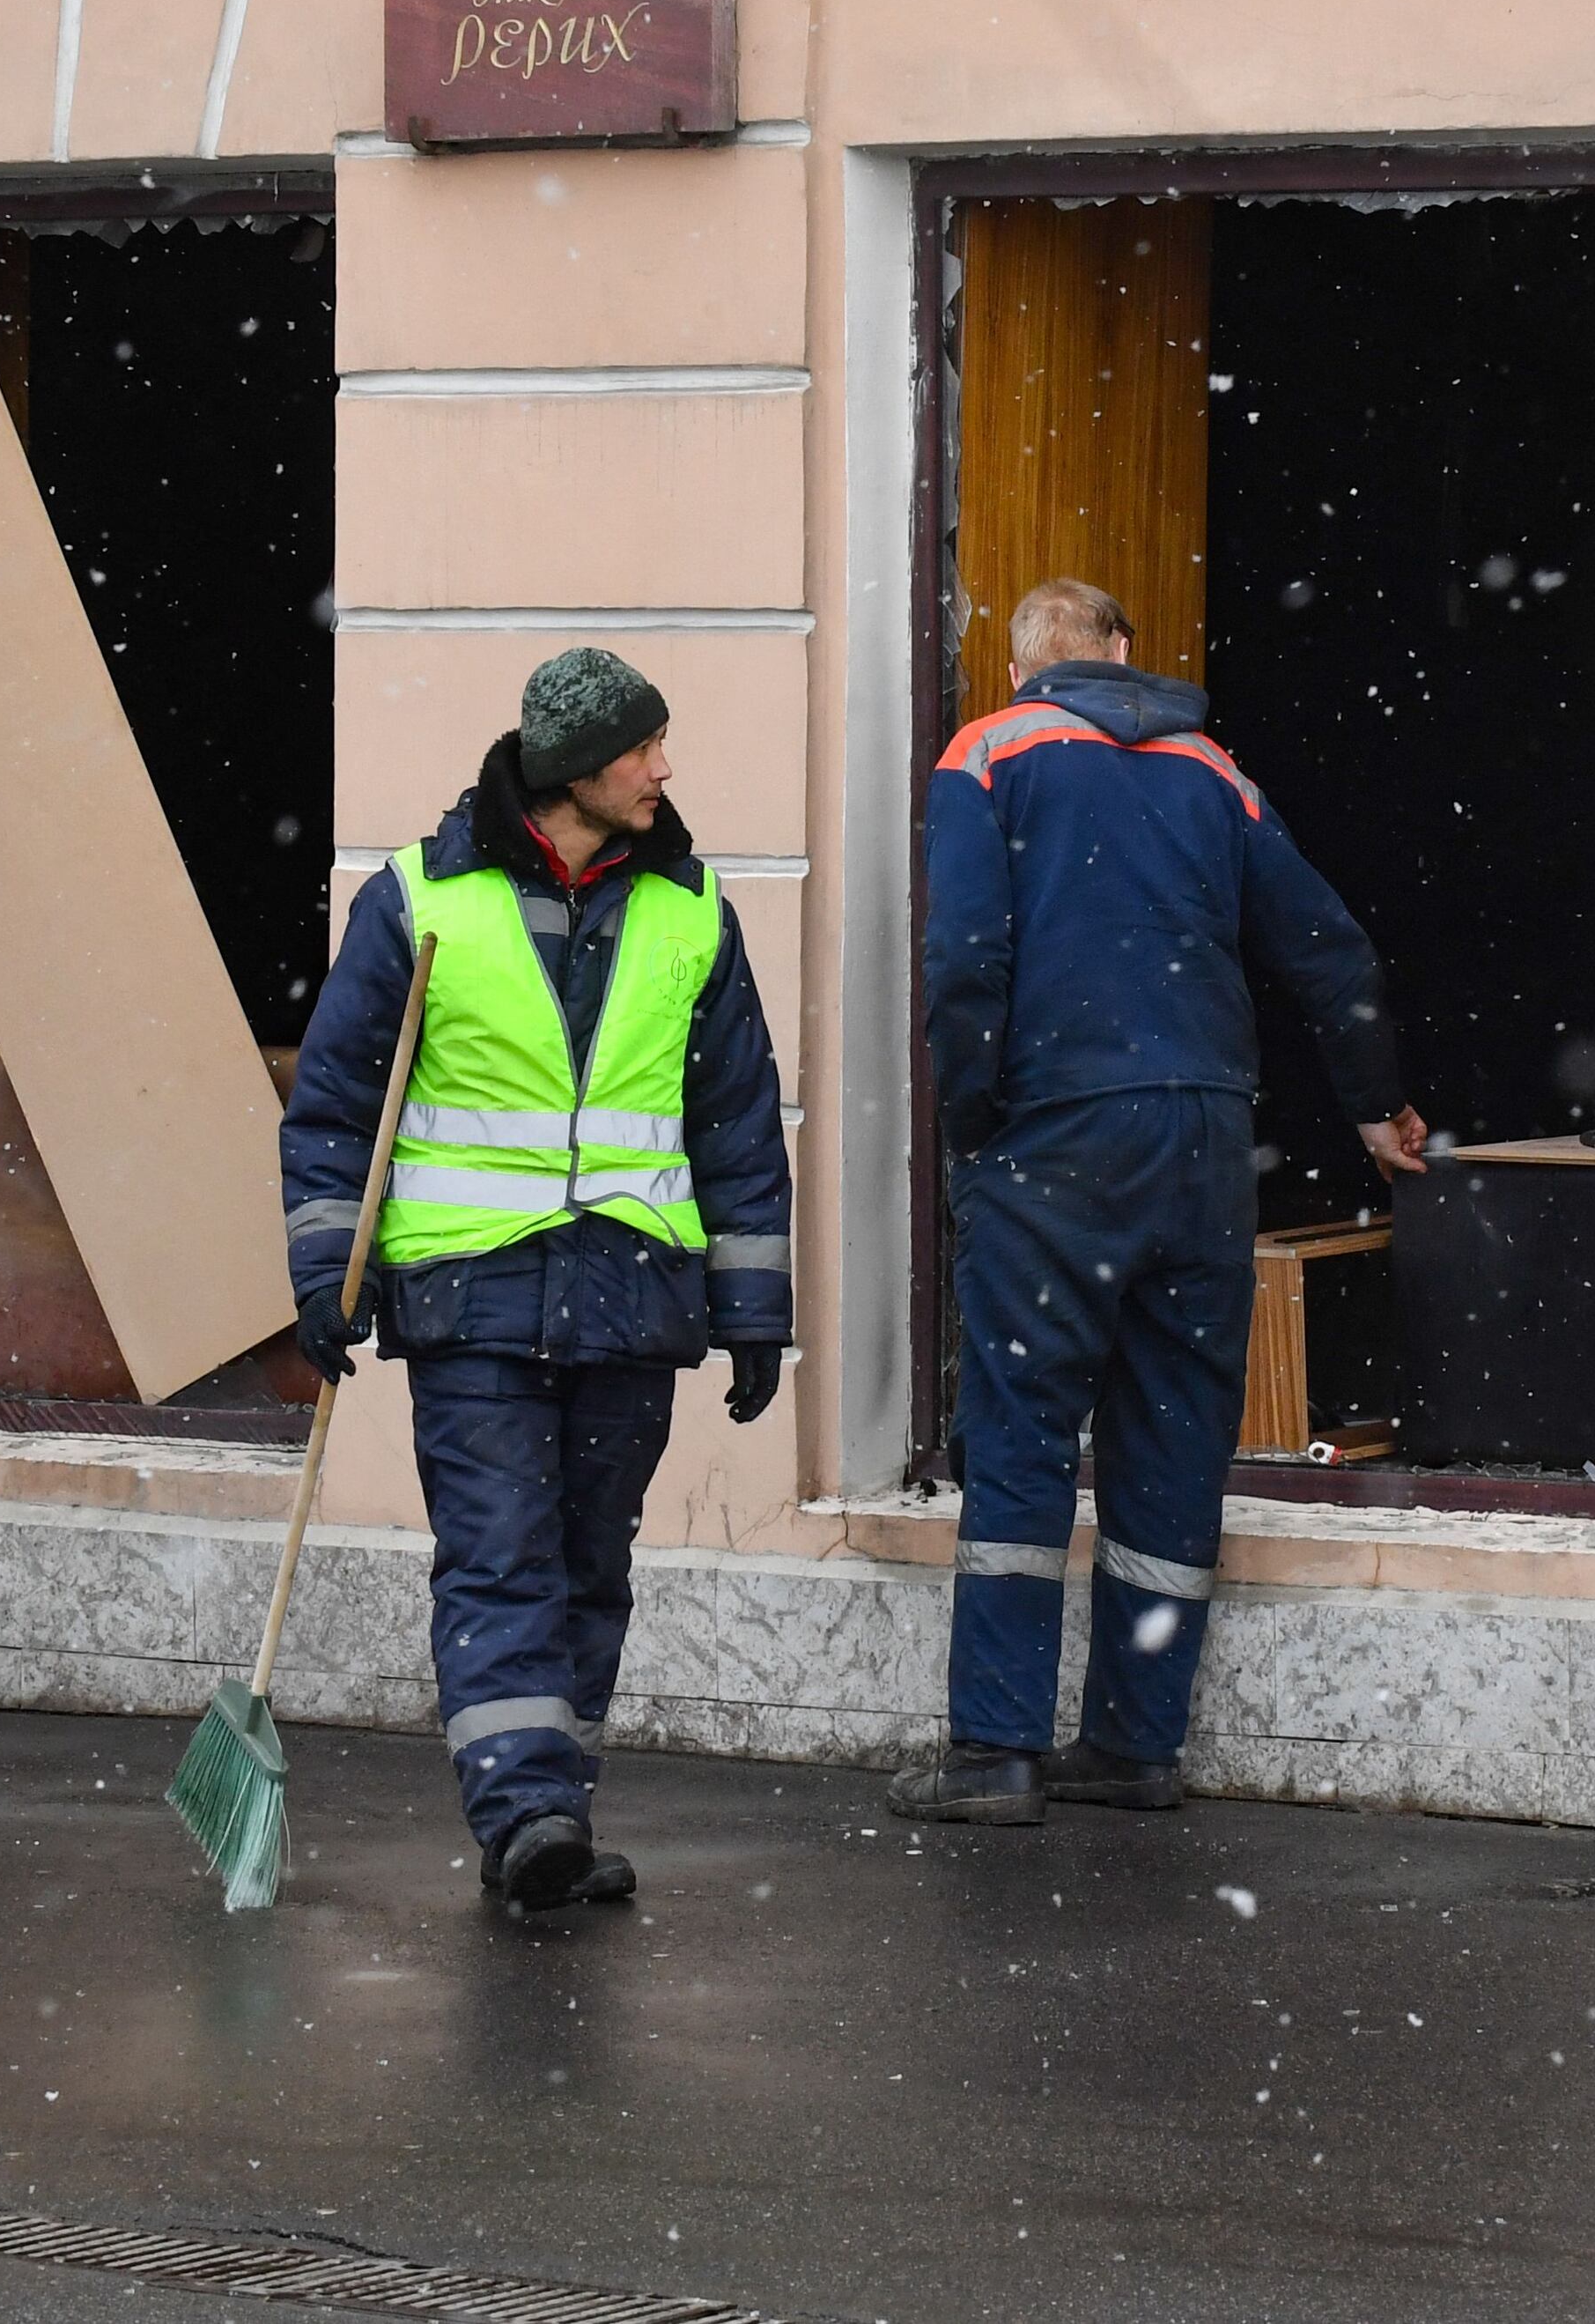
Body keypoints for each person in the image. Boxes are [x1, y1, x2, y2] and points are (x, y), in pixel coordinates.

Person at [892, 578, 1426, 1824]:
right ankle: (1137, 1745)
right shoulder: (1213, 771)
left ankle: (997, 1752)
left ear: (1025, 667)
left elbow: (965, 956)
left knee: (1023, 1426)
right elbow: (1331, 948)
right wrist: (1369, 1101)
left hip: (1056, 1130)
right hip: (1202, 1132)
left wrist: (974, 1115)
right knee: (1178, 1429)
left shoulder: (985, 752)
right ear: (1125, 651)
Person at [280, 647, 794, 1913]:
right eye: (643, 748)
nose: (664, 769)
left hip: (631, 1297)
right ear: (578, 768)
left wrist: (756, 1308)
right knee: (504, 1556)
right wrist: (321, 1270)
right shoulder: (421, 900)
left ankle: (558, 1792)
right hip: (476, 1303)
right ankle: (526, 1808)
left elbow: (735, 1123)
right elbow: (340, 1105)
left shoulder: (689, 908)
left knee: (586, 1561)